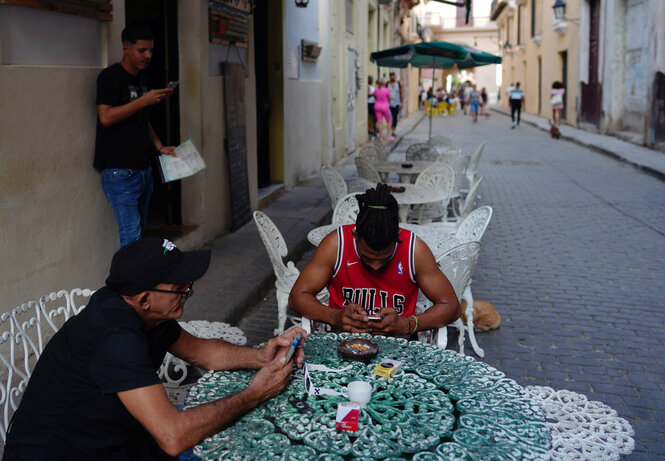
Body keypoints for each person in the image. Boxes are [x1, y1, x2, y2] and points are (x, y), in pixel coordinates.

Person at [3, 237, 306, 460]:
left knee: (235, 436)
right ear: (145, 298)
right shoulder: (115, 335)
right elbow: (173, 436)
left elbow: (205, 353)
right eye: (179, 288)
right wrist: (255, 393)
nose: (188, 293)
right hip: (63, 453)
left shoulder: (146, 313)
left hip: (116, 433)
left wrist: (260, 355)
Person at [289, 184, 460, 336]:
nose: (376, 266)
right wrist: (335, 316)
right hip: (343, 339)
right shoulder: (336, 245)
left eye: (385, 259)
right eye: (367, 257)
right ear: (355, 235)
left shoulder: (415, 250)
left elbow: (451, 307)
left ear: (397, 238)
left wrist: (407, 325)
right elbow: (298, 296)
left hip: (399, 343)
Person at [94, 23, 177, 248]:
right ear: (126, 48)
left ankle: (137, 282)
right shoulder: (111, 77)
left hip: (143, 169)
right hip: (121, 170)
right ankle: (128, 284)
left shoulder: (140, 79)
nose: (148, 55)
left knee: (139, 236)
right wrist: (143, 100)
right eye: (142, 50)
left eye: (150, 50)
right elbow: (106, 117)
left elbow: (142, 119)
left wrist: (159, 147)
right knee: (131, 240)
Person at [387, 71, 404, 140]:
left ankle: (393, 131)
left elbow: (402, 94)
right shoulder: (387, 84)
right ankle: (391, 130)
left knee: (395, 117)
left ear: (395, 76)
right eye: (391, 75)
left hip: (397, 103)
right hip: (389, 104)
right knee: (390, 118)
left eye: (393, 75)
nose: (392, 77)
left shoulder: (399, 84)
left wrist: (402, 102)